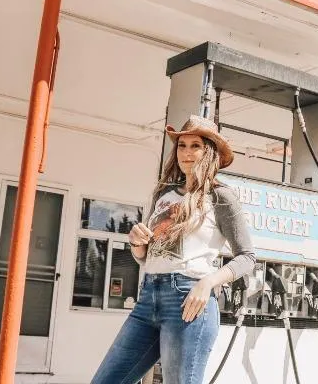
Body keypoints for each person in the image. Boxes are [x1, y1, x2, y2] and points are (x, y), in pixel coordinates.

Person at [91, 115, 256, 384]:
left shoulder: (220, 196)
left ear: (209, 152)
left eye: (196, 146)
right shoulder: (163, 194)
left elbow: (247, 257)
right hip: (148, 298)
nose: (187, 153)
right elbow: (148, 258)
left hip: (189, 301)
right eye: (182, 145)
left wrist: (208, 282)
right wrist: (137, 244)